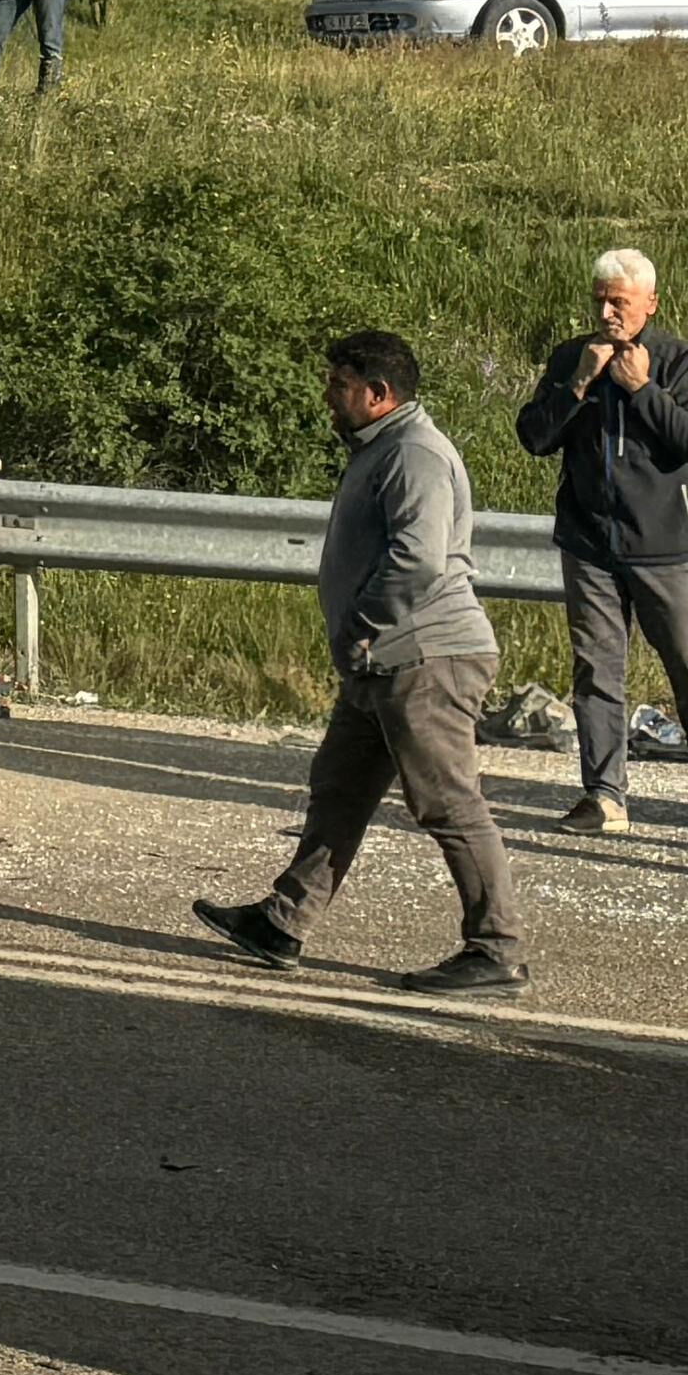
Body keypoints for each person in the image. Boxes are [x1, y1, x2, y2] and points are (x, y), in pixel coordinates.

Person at [197, 333, 529, 998]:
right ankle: (282, 922)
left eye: (340, 383)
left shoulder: (415, 454)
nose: (329, 394)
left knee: (447, 802)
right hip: (382, 661)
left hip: (424, 658)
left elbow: (419, 559)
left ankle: (497, 950)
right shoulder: (384, 448)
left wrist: (360, 626)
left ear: (379, 394)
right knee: (341, 789)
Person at [511, 248, 688, 834]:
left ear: (649, 304)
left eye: (621, 301)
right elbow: (534, 437)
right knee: (597, 670)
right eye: (601, 300)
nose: (609, 312)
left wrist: (642, 390)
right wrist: (579, 383)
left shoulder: (679, 360)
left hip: (667, 546)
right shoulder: (571, 357)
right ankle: (605, 795)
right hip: (590, 544)